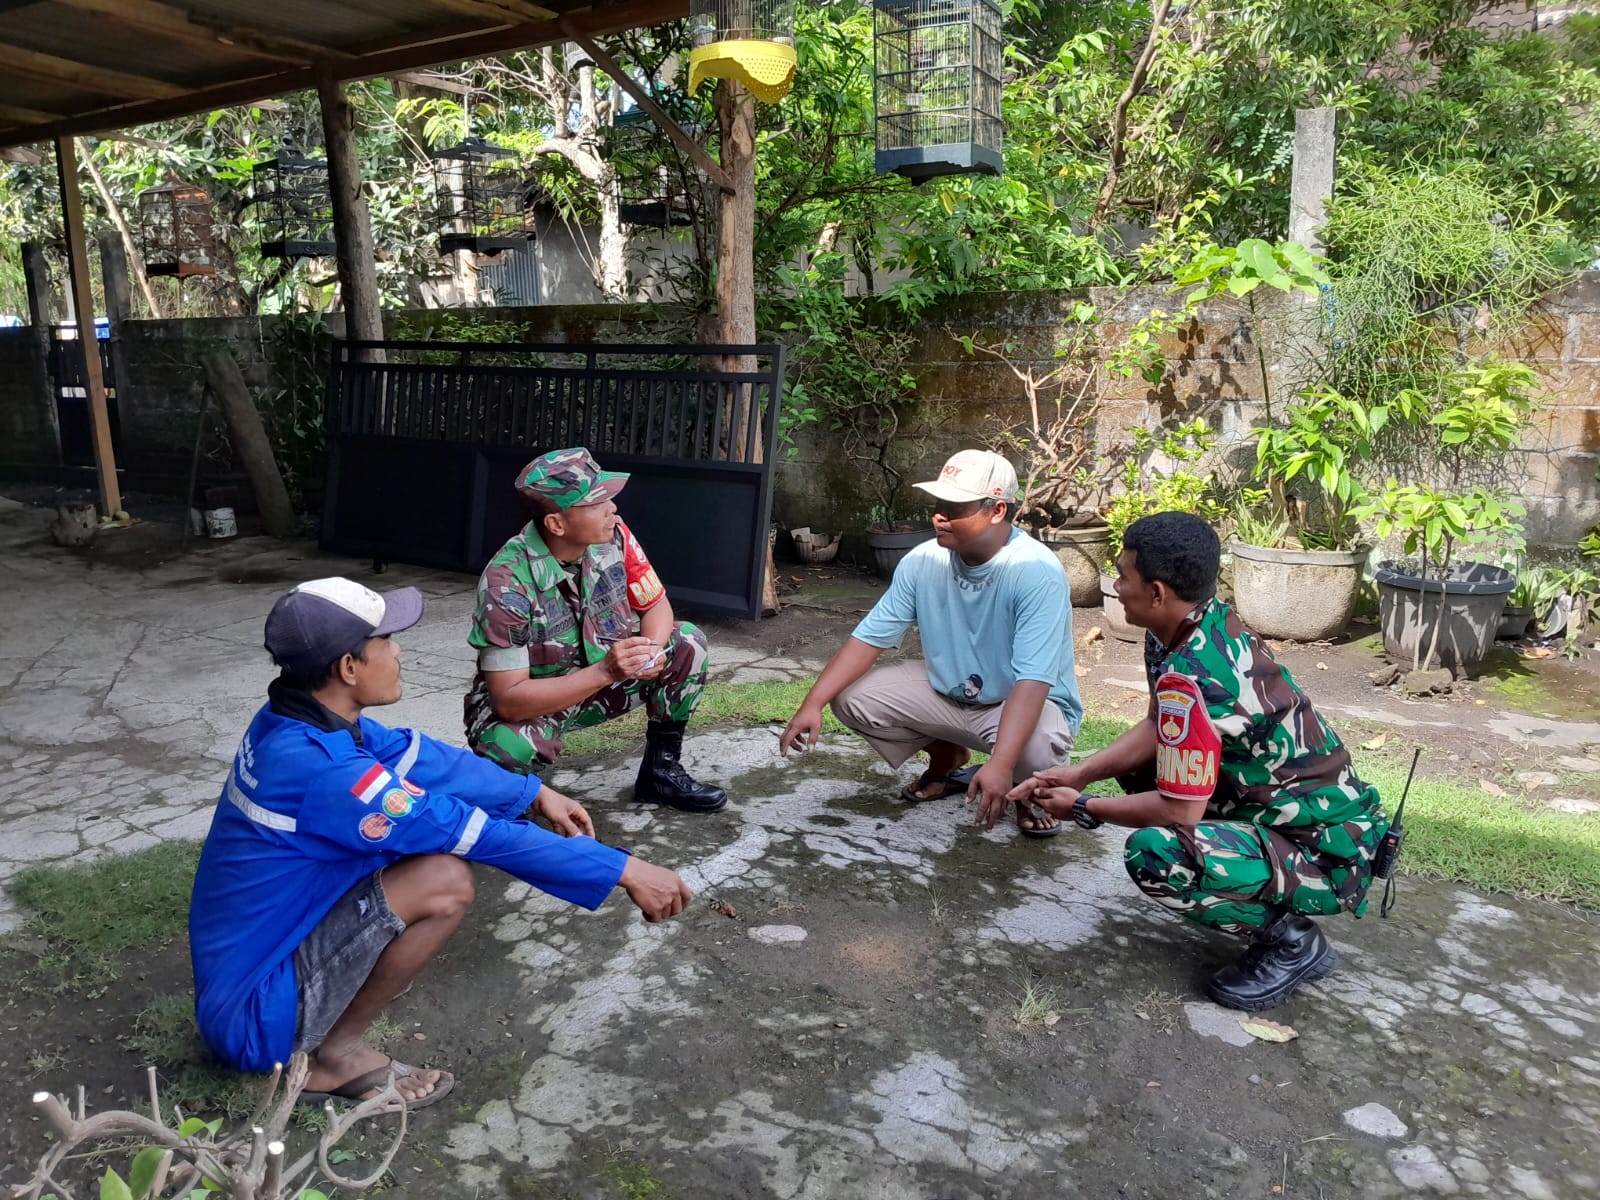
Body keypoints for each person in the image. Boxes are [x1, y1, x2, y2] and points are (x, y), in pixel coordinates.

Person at [189, 577, 692, 1107]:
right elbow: (470, 833)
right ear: (348, 667)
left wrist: (533, 791)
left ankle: (328, 1041)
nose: (399, 650)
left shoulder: (293, 722)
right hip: (255, 1018)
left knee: (420, 856)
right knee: (442, 880)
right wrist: (622, 868)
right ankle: (333, 1057)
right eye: (385, 641)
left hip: (251, 975)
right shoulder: (327, 771)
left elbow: (419, 757)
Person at [1007, 511, 1389, 1011]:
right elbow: (1156, 727)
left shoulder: (1197, 674)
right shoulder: (1186, 628)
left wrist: (1083, 807)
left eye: (1124, 576)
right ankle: (1255, 878)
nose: (1117, 586)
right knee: (1137, 769)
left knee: (1156, 853)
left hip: (1327, 854)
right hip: (1273, 816)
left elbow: (1178, 812)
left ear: (1159, 592)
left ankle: (1292, 940)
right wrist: (1079, 772)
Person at [779, 449, 1083, 837]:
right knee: (852, 699)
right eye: (939, 503)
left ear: (997, 511)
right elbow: (869, 639)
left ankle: (1025, 794)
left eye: (956, 506)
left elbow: (1033, 680)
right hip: (950, 691)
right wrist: (812, 703)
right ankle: (947, 758)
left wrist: (1002, 764)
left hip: (1020, 701)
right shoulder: (923, 560)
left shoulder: (1035, 572)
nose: (940, 515)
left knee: (1038, 748)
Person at [463, 447, 726, 813]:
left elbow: (655, 605)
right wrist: (606, 671)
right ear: (556, 524)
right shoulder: (506, 582)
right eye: (597, 501)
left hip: (604, 682)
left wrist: (649, 649)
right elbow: (509, 701)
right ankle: (504, 807)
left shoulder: (614, 536)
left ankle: (660, 774)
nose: (613, 508)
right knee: (507, 746)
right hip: (541, 702)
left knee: (686, 642)